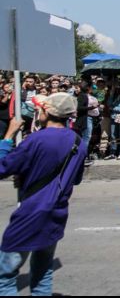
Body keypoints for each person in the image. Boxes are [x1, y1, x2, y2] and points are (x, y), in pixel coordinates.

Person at [0, 93, 87, 296]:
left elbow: (3, 167)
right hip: (56, 213)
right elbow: (76, 178)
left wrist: (7, 137)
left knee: (5, 276)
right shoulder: (77, 141)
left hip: (30, 212)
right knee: (43, 272)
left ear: (46, 112)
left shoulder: (36, 140)